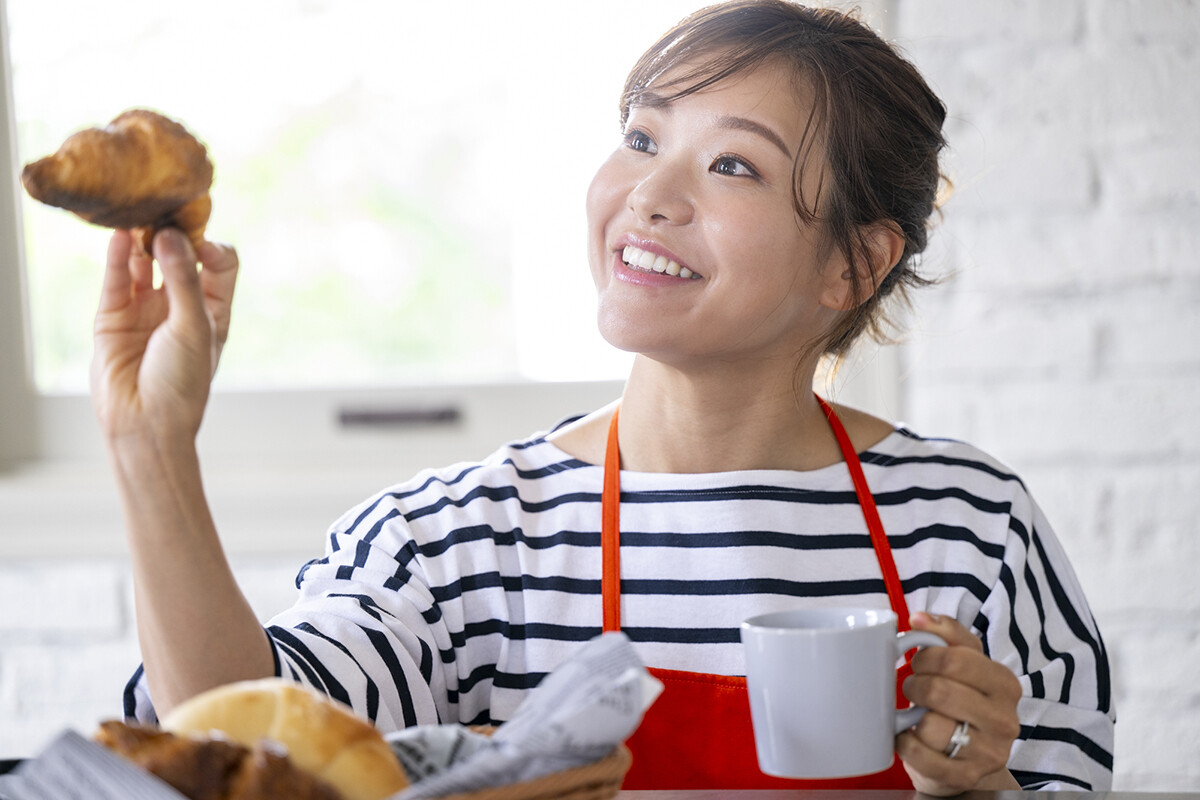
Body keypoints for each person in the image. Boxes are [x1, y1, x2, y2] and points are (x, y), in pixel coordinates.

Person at [94, 0, 1114, 794]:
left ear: (852, 265)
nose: (652, 195)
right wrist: (151, 446)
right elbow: (234, 742)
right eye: (640, 138)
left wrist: (980, 785)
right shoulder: (458, 538)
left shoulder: (971, 527)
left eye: (732, 164)